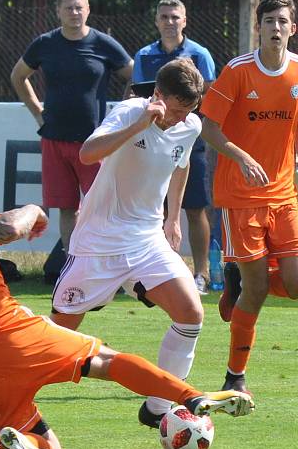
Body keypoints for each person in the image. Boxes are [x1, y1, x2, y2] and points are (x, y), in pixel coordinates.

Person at [0, 171, 254, 449]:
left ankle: (25, 445)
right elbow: (11, 227)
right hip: (12, 336)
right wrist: (35, 211)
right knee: (106, 361)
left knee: (51, 448)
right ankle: (190, 396)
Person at [49, 57, 208, 429]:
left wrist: (173, 218)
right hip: (98, 243)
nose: (183, 118)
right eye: (177, 109)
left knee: (191, 315)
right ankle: (9, 381)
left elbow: (180, 164)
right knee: (57, 335)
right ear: (157, 96)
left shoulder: (190, 125)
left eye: (190, 111)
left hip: (147, 238)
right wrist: (139, 124)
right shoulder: (130, 112)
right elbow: (88, 154)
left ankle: (156, 410)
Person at [200, 0, 298, 394]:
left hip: (284, 194)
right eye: (269, 21)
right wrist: (242, 156)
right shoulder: (237, 72)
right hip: (241, 197)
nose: (276, 28)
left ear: (293, 28)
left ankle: (239, 276)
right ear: (259, 27)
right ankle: (236, 377)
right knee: (258, 291)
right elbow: (209, 128)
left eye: (283, 21)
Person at [10, 0, 133, 254]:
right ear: (58, 12)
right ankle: (72, 264)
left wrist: (121, 114)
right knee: (67, 209)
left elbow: (134, 74)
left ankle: (103, 262)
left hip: (94, 142)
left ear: (88, 9)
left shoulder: (103, 44)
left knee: (101, 207)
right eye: (69, 8)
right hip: (54, 139)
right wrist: (37, 113)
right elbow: (18, 76)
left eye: (79, 7)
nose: (74, 13)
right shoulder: (45, 43)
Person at [132, 0, 217, 294]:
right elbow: (139, 98)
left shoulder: (200, 54)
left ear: (185, 20)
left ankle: (202, 274)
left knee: (194, 209)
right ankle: (156, 272)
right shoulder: (144, 55)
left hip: (187, 142)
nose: (170, 22)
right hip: (150, 145)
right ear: (156, 21)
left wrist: (185, 124)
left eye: (175, 17)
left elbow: (209, 98)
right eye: (164, 17)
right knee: (154, 210)